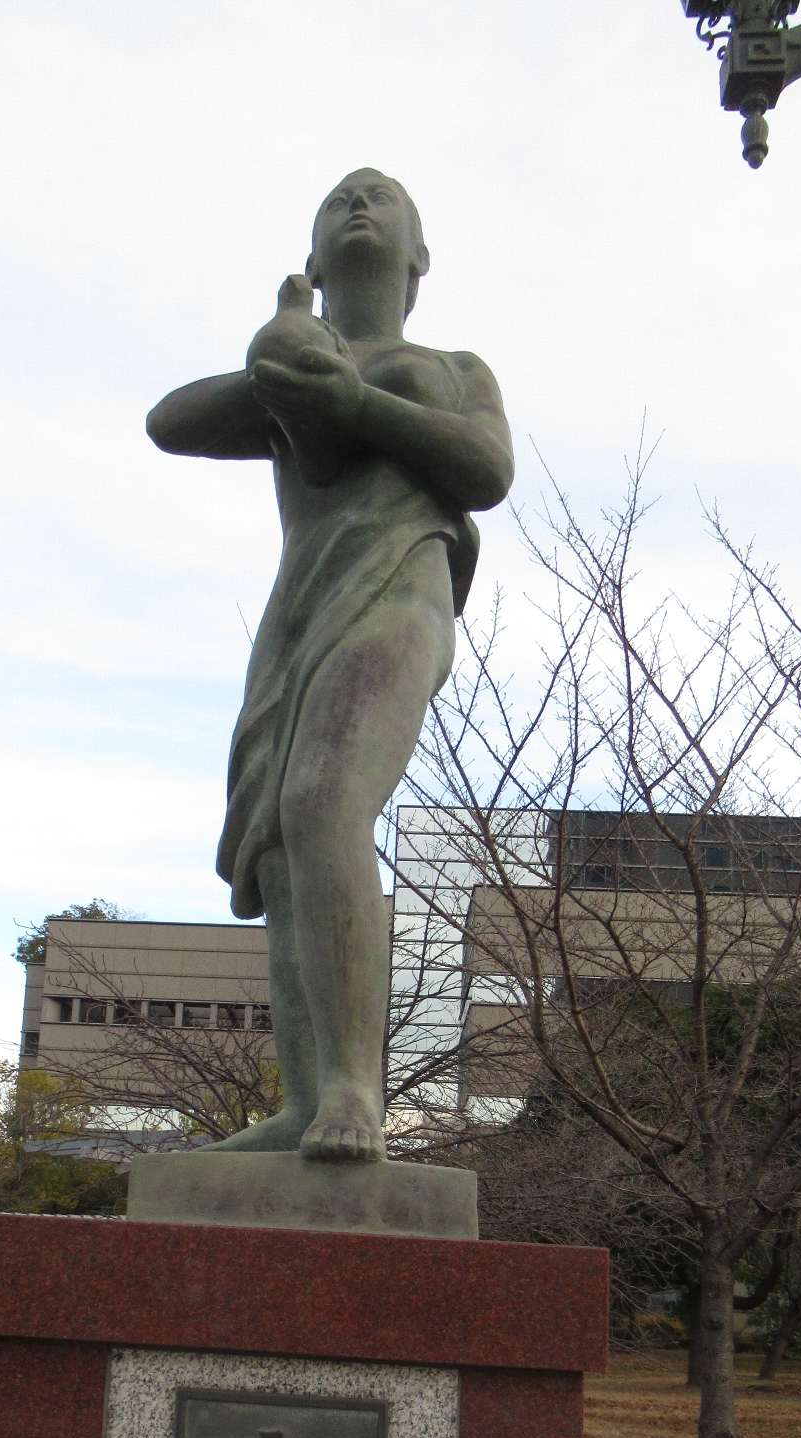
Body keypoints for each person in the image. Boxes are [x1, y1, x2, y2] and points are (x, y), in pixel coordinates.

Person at [147, 169, 514, 1162]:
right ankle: (306, 1099)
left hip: (401, 587)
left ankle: (358, 1087)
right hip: (299, 613)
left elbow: (486, 471)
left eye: (382, 198)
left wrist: (353, 399)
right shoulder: (294, 368)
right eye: (339, 199)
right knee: (279, 841)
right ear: (310, 260)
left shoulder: (456, 365)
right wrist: (276, 370)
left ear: (419, 258)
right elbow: (169, 422)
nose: (360, 203)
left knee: (323, 798)